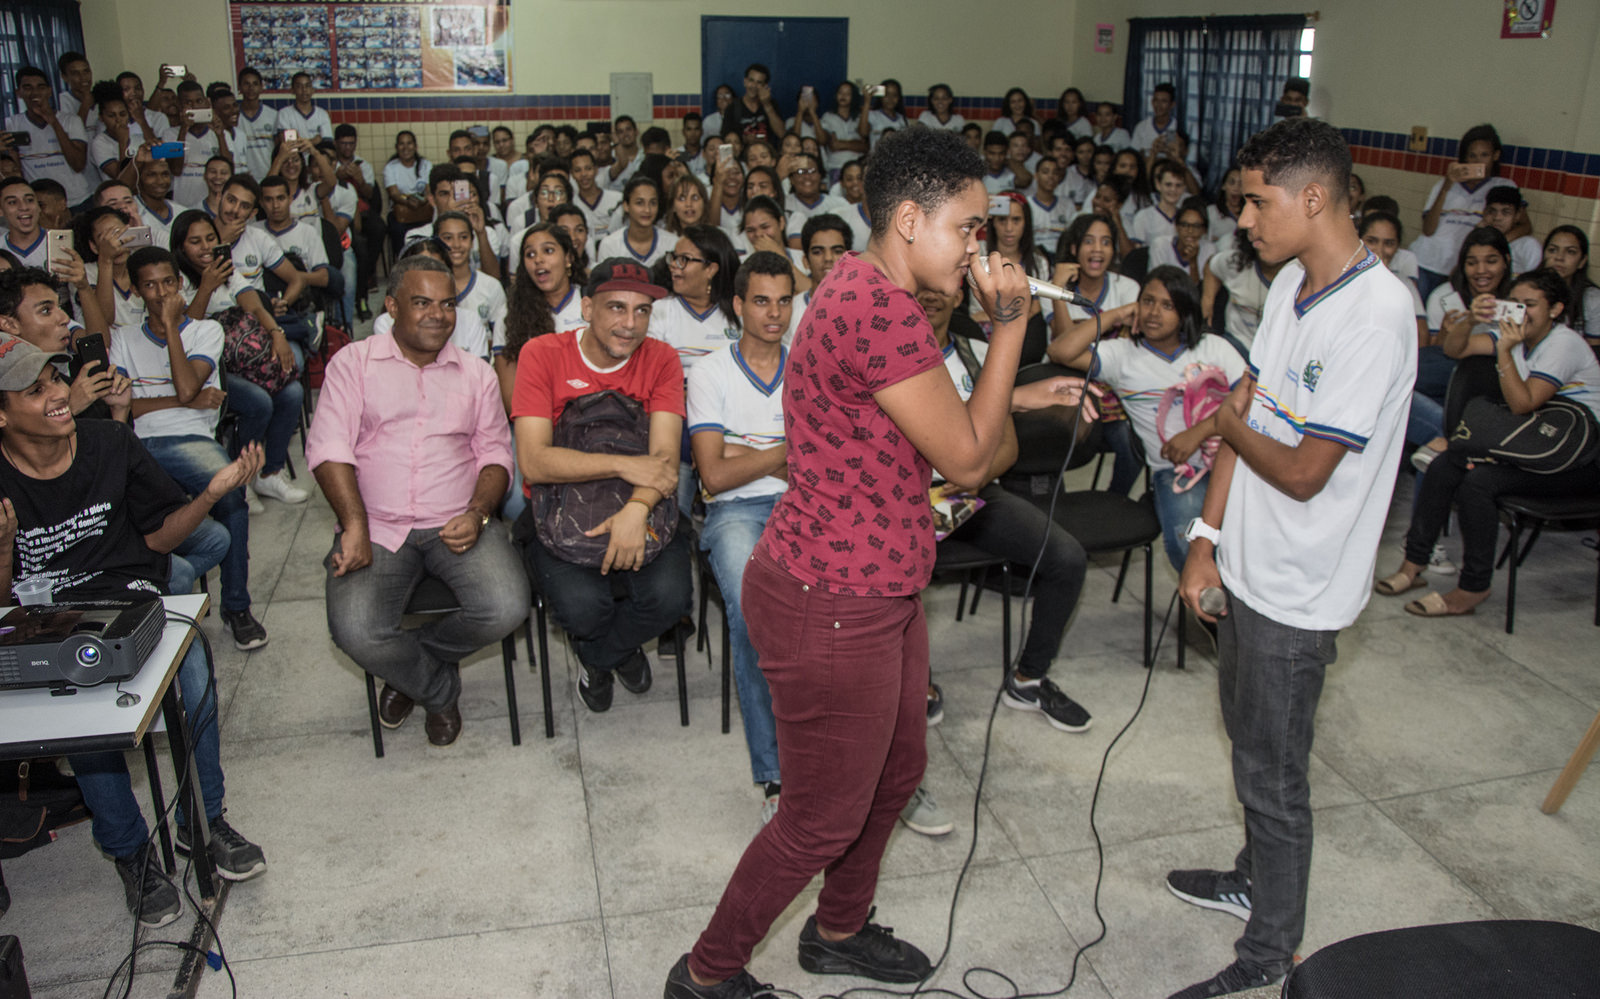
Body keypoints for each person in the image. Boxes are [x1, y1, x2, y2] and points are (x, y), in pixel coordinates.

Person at [664, 124, 1034, 999]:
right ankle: (705, 973)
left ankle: (837, 928)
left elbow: (940, 435)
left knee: (897, 772)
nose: (978, 247)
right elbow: (970, 458)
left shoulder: (867, 286)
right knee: (819, 817)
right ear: (909, 220)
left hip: (878, 582)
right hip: (832, 596)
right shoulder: (879, 310)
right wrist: (1010, 326)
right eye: (967, 227)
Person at [1171, 116, 1415, 999]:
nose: (1242, 219)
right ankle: (1253, 879)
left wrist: (1224, 420)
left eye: (1255, 201)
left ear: (1314, 198)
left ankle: (1270, 948)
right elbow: (1249, 404)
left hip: (1301, 590)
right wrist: (1206, 539)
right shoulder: (1288, 286)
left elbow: (1306, 471)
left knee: (1274, 778)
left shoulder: (1378, 315)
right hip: (1245, 564)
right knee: (1248, 745)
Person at [0, 336, 268, 927]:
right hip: (45, 621)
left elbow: (158, 536)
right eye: (35, 390)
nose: (58, 394)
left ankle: (203, 821)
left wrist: (211, 494)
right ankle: (130, 852)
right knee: (82, 713)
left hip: (130, 596)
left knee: (193, 672)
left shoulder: (109, 442)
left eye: (55, 379)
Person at [307, 255, 525, 750]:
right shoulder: (354, 364)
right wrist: (354, 526)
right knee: (357, 631)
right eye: (422, 302)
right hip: (376, 525)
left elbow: (496, 455)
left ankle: (409, 670)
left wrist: (478, 513)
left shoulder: (476, 374)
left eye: (447, 304)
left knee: (507, 607)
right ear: (391, 306)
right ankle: (436, 688)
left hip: (456, 522)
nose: (438, 315)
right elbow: (329, 448)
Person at [512, 257, 691, 712]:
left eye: (642, 311)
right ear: (587, 307)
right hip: (561, 509)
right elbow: (534, 462)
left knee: (671, 600)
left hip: (643, 505)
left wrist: (636, 510)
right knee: (582, 609)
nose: (630, 324)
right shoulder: (542, 353)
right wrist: (624, 465)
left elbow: (664, 460)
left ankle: (600, 657)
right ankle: (619, 649)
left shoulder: (662, 358)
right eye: (616, 307)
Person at [1377, 267, 1600, 617]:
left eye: (1531, 305)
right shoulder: (1514, 335)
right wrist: (1469, 319)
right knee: (1443, 466)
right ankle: (1413, 565)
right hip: (1538, 447)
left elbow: (1523, 404)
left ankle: (1472, 587)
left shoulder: (1564, 343)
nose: (1521, 313)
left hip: (1580, 459)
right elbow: (1455, 349)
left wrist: (1506, 352)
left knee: (1479, 483)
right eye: (1515, 304)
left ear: (1556, 310)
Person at [111, 246, 271, 650]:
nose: (162, 292)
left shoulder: (205, 331)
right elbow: (127, 407)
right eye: (150, 285)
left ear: (181, 283)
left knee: (231, 494)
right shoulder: (123, 338)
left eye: (169, 282)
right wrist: (186, 399)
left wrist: (171, 330)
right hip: (138, 442)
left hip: (191, 439)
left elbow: (185, 385)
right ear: (135, 291)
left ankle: (236, 607)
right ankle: (159, 583)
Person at [686, 250, 791, 823]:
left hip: (805, 504)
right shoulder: (710, 372)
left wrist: (742, 450)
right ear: (738, 305)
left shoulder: (808, 368)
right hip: (733, 512)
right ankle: (774, 773)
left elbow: (828, 460)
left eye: (784, 301)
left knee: (847, 607)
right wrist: (784, 453)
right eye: (761, 301)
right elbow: (714, 475)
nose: (774, 313)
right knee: (754, 616)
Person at [169, 209, 308, 507]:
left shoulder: (227, 271)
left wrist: (277, 334)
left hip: (246, 358)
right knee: (258, 402)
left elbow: (255, 307)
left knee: (292, 391)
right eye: (195, 241)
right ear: (180, 247)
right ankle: (238, 479)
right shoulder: (176, 281)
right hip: (204, 369)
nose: (206, 247)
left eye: (210, 238)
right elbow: (185, 331)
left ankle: (270, 473)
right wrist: (206, 286)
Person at [1408, 124, 1514, 303]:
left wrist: (1497, 246)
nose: (1478, 162)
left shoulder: (1502, 186)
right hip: (1425, 262)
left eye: (1484, 155)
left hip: (1463, 269)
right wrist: (1447, 186)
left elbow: (1523, 225)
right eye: (1472, 156)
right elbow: (1428, 229)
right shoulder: (1444, 185)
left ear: (1495, 156)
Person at [652, 225, 740, 370]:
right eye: (674, 257)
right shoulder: (659, 311)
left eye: (684, 259)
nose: (673, 264)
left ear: (710, 269)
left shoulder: (739, 312)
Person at [3, 66, 90, 209]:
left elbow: (78, 164)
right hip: (38, 204)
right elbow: (16, 170)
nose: (35, 92)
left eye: (41, 87)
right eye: (28, 87)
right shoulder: (12, 124)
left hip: (77, 201)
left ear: (49, 91)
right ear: (19, 93)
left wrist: (54, 122)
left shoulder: (71, 121)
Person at [1205, 226, 1285, 357]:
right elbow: (1211, 265)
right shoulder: (1237, 263)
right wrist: (1207, 302)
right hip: (1237, 342)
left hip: (1277, 352)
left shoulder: (1300, 272)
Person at [1542, 225, 1599, 346]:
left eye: (1570, 252)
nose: (1559, 257)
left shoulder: (1592, 298)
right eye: (1552, 250)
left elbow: (1594, 351)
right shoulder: (1526, 288)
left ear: (1582, 261)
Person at [596, 176, 668, 267]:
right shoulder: (609, 245)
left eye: (653, 203)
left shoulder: (672, 244)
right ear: (626, 206)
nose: (647, 210)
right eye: (639, 203)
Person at [384, 130, 433, 254]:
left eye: (409, 143)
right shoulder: (390, 167)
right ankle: (403, 260)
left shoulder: (426, 165)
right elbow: (394, 194)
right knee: (397, 230)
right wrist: (408, 202)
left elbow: (429, 191)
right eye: (402, 144)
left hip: (423, 210)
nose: (405, 148)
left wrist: (421, 201)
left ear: (416, 146)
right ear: (396, 147)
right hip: (400, 213)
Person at [1479, 185, 1541, 274]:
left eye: (1506, 212)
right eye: (1492, 211)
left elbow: (1535, 279)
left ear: (1517, 215)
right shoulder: (1478, 242)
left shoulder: (1527, 245)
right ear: (1484, 212)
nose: (1497, 218)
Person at [233, 67, 278, 180]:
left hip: (269, 175)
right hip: (242, 177)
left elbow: (279, 149)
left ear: (261, 87)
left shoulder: (273, 115)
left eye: (255, 84)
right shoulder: (233, 117)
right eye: (246, 84)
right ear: (239, 87)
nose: (251, 88)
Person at [1, 177, 47, 269]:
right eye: (12, 202)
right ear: (1, 210)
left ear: (39, 206)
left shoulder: (62, 244)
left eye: (30, 200)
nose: (24, 207)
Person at [1131, 83, 1183, 163]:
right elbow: (1134, 155)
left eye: (1164, 101)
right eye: (1156, 100)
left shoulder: (1176, 127)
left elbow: (1178, 157)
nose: (1158, 105)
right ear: (1152, 102)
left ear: (1172, 104)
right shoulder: (1142, 127)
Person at [276, 71, 334, 141]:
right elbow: (288, 143)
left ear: (313, 90)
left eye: (307, 86)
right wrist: (314, 141)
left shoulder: (322, 114)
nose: (304, 90)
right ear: (292, 90)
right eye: (299, 86)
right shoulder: (284, 113)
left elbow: (327, 142)